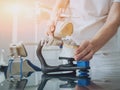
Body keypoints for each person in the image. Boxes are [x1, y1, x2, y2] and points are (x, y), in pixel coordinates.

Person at [47, 0, 120, 79]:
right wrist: (53, 19)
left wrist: (93, 45)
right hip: (71, 55)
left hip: (105, 57)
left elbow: (113, 21)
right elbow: (61, 3)